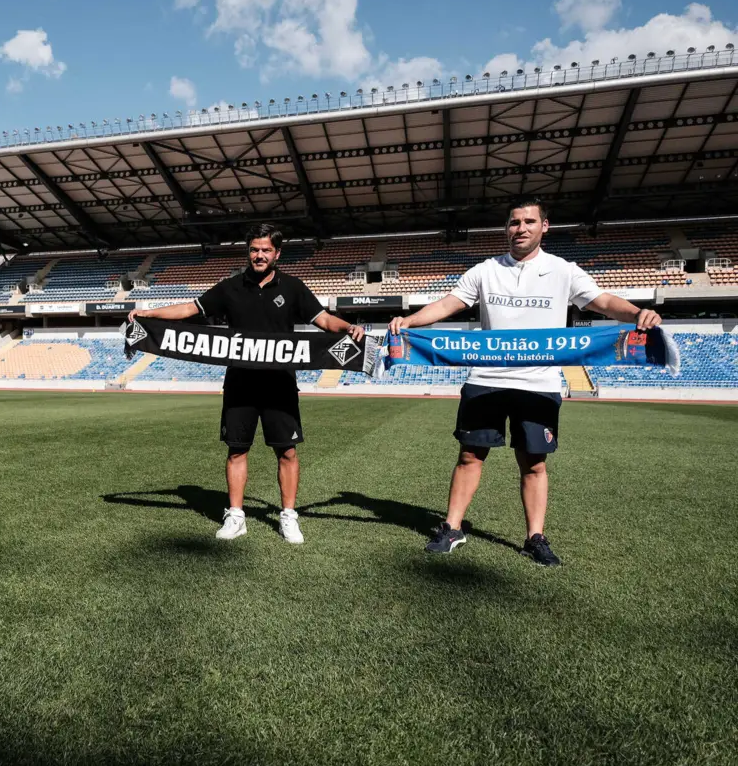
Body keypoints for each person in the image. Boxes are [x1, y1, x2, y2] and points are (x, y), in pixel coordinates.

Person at [387, 197, 662, 565]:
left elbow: (602, 301)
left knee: (534, 463)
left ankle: (535, 537)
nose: (521, 228)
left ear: (544, 227)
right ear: (506, 228)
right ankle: (452, 528)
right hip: (486, 378)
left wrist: (637, 312)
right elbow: (448, 303)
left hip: (538, 383)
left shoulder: (564, 270)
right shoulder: (485, 270)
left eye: (529, 222)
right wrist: (410, 320)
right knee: (469, 455)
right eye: (514, 222)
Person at [128, 223, 365, 544]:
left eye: (266, 250)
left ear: (277, 254)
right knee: (237, 450)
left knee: (288, 453)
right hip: (240, 382)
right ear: (248, 252)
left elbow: (323, 319)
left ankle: (288, 517)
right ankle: (236, 516)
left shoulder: (293, 287)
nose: (259, 255)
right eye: (254, 249)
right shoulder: (230, 287)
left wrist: (348, 326)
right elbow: (190, 309)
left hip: (280, 383)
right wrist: (150, 313)